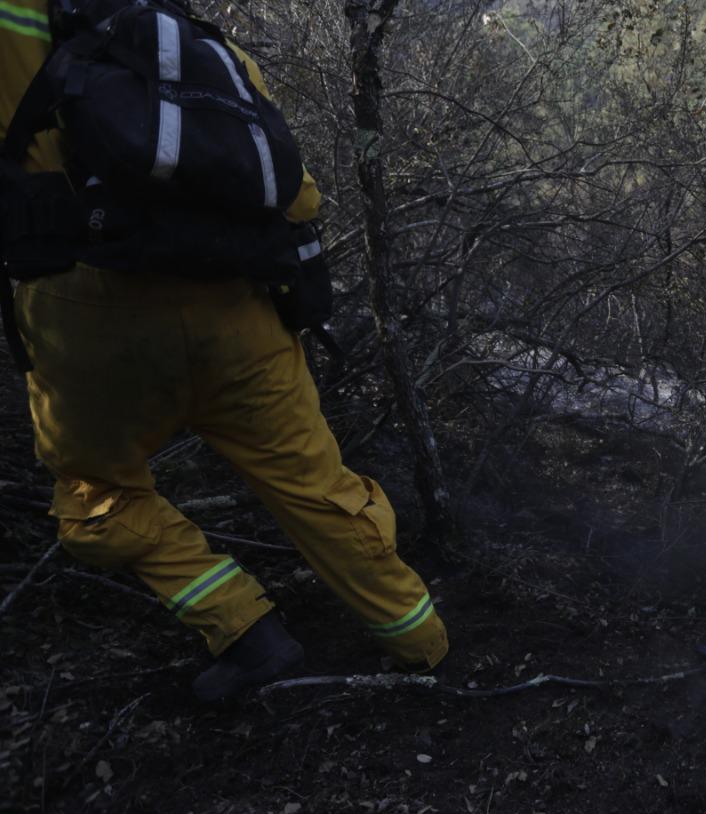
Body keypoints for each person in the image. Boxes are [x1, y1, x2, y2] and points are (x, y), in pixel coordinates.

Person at [1, 0, 447, 701]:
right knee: (319, 488)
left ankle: (245, 629)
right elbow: (297, 196)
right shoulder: (198, 47)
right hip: (237, 311)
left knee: (98, 500)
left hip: (84, 319)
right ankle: (420, 641)